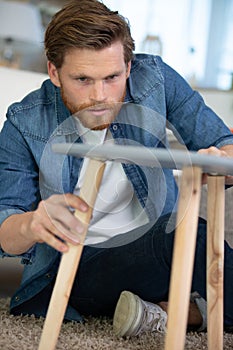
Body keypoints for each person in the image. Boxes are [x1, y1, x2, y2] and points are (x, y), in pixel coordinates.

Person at [0, 0, 233, 338]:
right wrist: (34, 223)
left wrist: (223, 160)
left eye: (112, 77)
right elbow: (5, 229)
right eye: (82, 79)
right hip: (74, 269)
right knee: (192, 236)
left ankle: (176, 315)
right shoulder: (24, 121)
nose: (100, 96)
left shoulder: (155, 78)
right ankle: (188, 313)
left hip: (154, 249)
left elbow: (223, 141)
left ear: (128, 66)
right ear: (54, 72)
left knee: (188, 235)